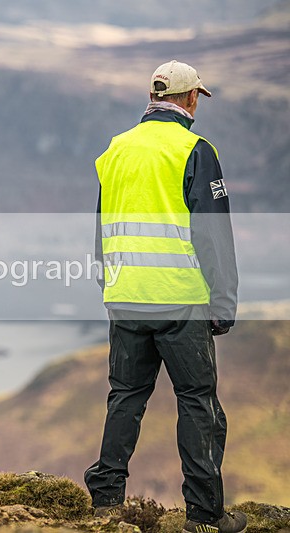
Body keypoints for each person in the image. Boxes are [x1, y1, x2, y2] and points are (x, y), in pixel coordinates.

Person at [84, 60, 245, 533]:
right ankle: (204, 516)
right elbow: (214, 235)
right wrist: (224, 302)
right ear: (191, 98)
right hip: (180, 300)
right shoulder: (195, 149)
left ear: (154, 97)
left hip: (126, 297)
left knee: (125, 398)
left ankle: (107, 503)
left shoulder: (116, 150)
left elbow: (102, 225)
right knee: (197, 402)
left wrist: (108, 284)